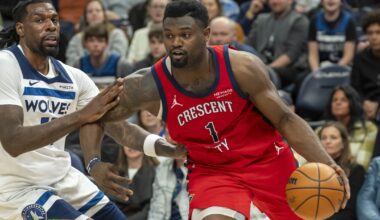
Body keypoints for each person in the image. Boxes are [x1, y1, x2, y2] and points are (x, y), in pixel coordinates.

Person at [83, 1, 350, 219]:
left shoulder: (242, 67)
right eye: (169, 35)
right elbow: (96, 116)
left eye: (185, 35)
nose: (176, 42)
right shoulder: (148, 84)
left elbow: (285, 118)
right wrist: (95, 163)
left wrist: (327, 162)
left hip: (268, 161)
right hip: (214, 172)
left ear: (206, 34)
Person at [0, 0, 127, 219]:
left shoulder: (73, 76)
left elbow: (112, 123)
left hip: (63, 178)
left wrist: (158, 146)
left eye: (55, 20)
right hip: (15, 186)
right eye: (40, 20)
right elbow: (13, 141)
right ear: (20, 28)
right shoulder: (6, 65)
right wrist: (80, 116)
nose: (51, 26)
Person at [317, 121, 365, 219]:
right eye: (323, 138)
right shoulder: (312, 168)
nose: (327, 141)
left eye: (333, 137)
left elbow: (349, 210)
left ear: (343, 143)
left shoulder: (356, 170)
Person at [322, 85, 378, 169]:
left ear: (353, 103)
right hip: (322, 173)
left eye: (343, 100)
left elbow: (362, 165)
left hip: (355, 176)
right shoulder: (321, 129)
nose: (338, 103)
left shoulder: (369, 129)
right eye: (334, 100)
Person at [65, 0, 128, 66]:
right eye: (90, 11)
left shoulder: (116, 34)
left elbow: (119, 61)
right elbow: (71, 65)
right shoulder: (76, 39)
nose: (94, 14)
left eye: (98, 10)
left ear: (104, 15)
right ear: (85, 17)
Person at [307, 0, 356, 72]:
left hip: (342, 70)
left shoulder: (349, 21)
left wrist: (333, 72)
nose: (330, 1)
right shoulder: (314, 21)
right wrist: (317, 74)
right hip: (319, 69)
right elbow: (312, 56)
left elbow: (348, 56)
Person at [114, 145, 159, 219]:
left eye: (135, 142)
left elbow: (150, 208)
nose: (131, 146)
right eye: (127, 142)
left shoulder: (156, 171)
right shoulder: (114, 172)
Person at [351, 9, 380, 122]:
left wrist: (378, 105)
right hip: (364, 106)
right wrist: (364, 102)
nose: (374, 37)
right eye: (370, 33)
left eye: (378, 32)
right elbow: (355, 88)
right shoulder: (360, 58)